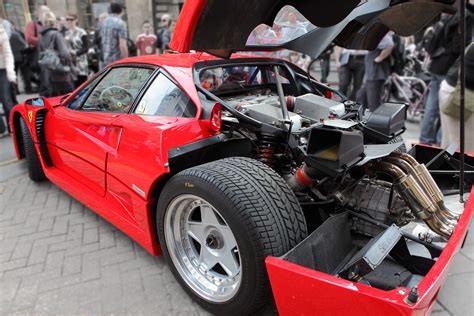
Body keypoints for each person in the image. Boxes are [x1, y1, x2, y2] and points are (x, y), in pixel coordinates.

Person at [418, 7, 470, 146]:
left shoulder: (447, 18)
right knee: (446, 110)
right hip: (449, 70)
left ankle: (425, 140)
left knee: (431, 107)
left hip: (437, 66)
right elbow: (458, 47)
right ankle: (442, 144)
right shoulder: (465, 19)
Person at [439, 44, 474, 152]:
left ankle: (444, 166)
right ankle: (447, 166)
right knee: (462, 148)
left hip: (453, 90)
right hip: (460, 95)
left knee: (451, 144)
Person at [39, 11, 73, 97]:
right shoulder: (56, 34)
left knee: (56, 98)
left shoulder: (42, 36)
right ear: (53, 21)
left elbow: (40, 54)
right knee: (69, 98)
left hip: (49, 73)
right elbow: (65, 53)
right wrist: (70, 64)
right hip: (61, 72)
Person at [360, 33, 395, 112]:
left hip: (375, 75)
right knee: (361, 97)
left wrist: (380, 58)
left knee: (373, 104)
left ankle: (376, 122)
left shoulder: (381, 35)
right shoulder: (377, 36)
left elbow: (390, 44)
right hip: (372, 75)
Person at [24, 5, 50, 94]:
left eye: (48, 12)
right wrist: (44, 41)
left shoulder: (48, 24)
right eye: (45, 12)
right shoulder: (32, 24)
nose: (48, 14)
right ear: (39, 13)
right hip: (39, 58)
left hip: (51, 59)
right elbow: (29, 38)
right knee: (45, 83)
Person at [64, 13, 89, 87]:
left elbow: (86, 48)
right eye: (67, 19)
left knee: (82, 86)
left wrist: (75, 52)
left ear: (76, 20)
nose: (69, 21)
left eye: (71, 19)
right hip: (71, 64)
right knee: (73, 87)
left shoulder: (82, 32)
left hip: (81, 63)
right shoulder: (66, 33)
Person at [0, 23, 16, 136]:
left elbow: (8, 54)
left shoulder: (1, 33)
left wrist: (11, 72)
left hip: (3, 70)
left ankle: (12, 127)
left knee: (6, 99)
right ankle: (1, 129)